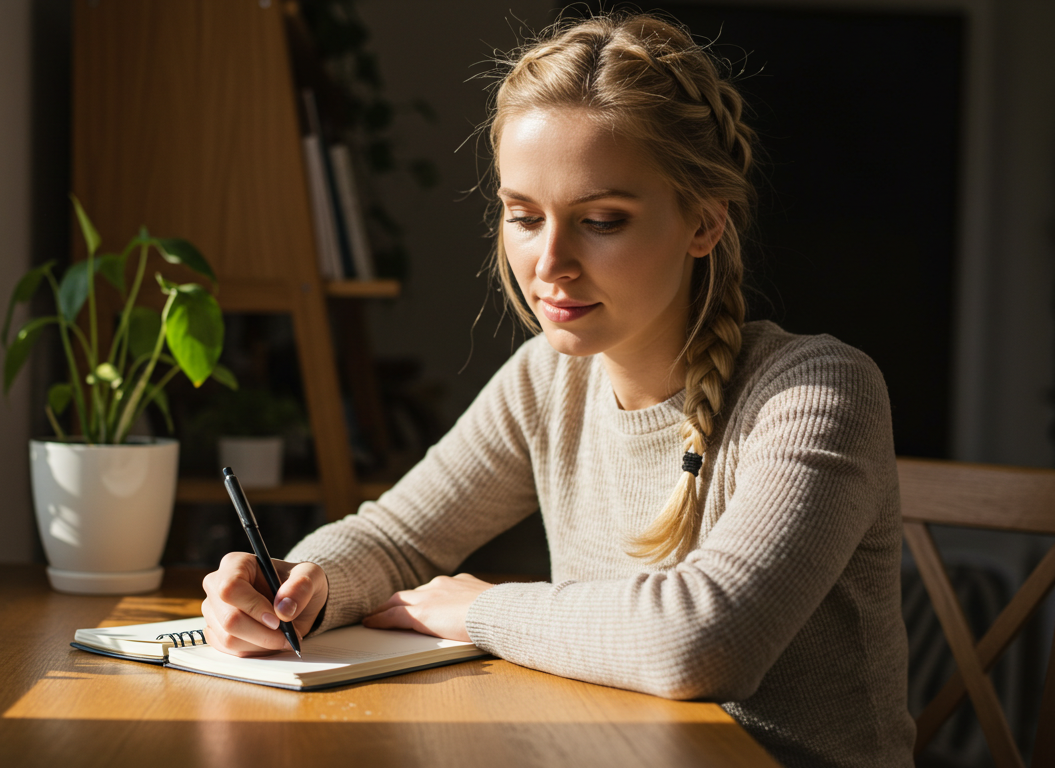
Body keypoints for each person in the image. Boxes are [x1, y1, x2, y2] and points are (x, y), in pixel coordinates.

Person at [201, 11, 914, 767]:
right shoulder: (550, 378)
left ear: (705, 221)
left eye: (602, 220)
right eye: (522, 217)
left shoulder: (818, 392)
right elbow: (397, 537)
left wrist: (479, 609)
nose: (550, 263)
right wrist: (298, 587)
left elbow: (703, 642)